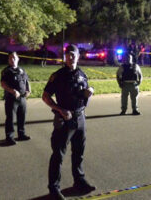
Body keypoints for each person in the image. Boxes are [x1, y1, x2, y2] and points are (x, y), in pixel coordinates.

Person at [42, 44, 96, 200]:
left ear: (78, 56)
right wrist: (59, 109)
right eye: (68, 55)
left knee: (79, 153)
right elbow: (45, 97)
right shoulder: (58, 76)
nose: (71, 58)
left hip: (80, 118)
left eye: (73, 55)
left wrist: (89, 91)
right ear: (65, 57)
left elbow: (83, 93)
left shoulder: (82, 75)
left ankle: (79, 181)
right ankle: (54, 188)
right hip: (64, 119)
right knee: (58, 155)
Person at [1, 52, 31, 146]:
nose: (12, 60)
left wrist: (29, 90)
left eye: (14, 58)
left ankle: (21, 134)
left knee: (22, 117)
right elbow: (3, 84)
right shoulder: (6, 71)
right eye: (10, 58)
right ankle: (9, 138)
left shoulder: (22, 70)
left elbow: (26, 81)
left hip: (22, 98)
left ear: (18, 59)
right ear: (8, 60)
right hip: (11, 98)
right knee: (10, 118)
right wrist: (12, 91)